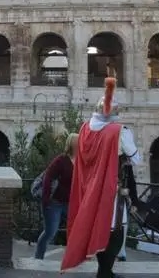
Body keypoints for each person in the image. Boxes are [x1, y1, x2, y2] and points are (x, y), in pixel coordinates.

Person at [61, 77, 141, 278]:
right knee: (114, 229)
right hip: (111, 189)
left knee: (97, 226)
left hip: (89, 187)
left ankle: (104, 270)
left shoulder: (84, 128)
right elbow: (136, 158)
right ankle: (105, 272)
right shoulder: (119, 131)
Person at [33, 133, 79, 260]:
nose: (80, 144)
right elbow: (48, 177)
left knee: (77, 230)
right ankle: (38, 257)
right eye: (77, 142)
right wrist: (45, 199)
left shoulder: (82, 161)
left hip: (71, 203)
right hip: (55, 203)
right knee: (50, 232)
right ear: (71, 144)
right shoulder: (61, 160)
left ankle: (75, 258)